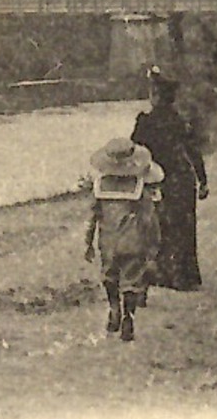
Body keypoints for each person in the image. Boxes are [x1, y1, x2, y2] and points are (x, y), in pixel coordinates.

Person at [132, 66, 208, 292]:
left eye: (152, 91)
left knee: (161, 225)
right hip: (183, 178)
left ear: (156, 95)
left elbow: (135, 151)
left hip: (160, 179)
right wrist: (202, 179)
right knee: (184, 226)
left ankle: (167, 273)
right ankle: (186, 276)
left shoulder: (146, 121)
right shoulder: (178, 119)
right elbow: (193, 150)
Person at [83, 137, 163, 342]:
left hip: (108, 240)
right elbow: (149, 220)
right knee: (132, 280)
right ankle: (128, 317)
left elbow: (93, 217)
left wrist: (88, 243)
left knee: (109, 276)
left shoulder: (101, 187)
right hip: (132, 240)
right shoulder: (139, 189)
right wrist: (153, 246)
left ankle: (113, 308)